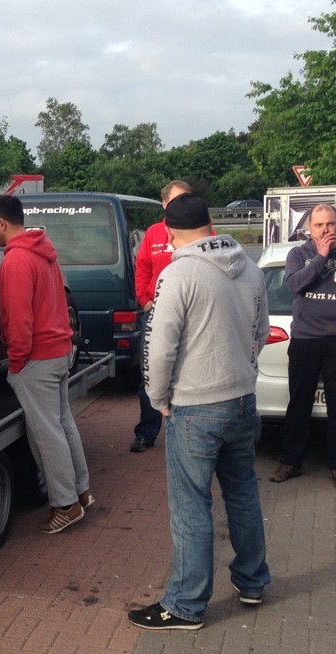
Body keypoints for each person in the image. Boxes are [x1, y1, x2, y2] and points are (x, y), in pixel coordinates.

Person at [128, 193, 271, 630]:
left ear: (168, 232)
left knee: (191, 507)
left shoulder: (177, 274)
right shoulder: (249, 266)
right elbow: (261, 331)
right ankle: (252, 581)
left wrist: (158, 399)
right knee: (242, 493)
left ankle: (186, 605)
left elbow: (158, 347)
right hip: (242, 399)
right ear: (211, 223)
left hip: (194, 407)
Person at [0, 194, 93, 534]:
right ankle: (82, 492)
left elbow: (18, 319)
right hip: (58, 351)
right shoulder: (44, 253)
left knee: (45, 435)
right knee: (63, 424)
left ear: (3, 223)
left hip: (36, 358)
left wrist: (16, 361)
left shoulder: (16, 262)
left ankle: (65, 505)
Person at [269, 204, 336, 491]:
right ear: (309, 228)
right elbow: (294, 285)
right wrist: (320, 258)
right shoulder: (298, 255)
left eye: (330, 224)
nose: (325, 230)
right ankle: (291, 460)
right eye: (319, 225)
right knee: (299, 403)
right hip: (305, 339)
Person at [130, 179, 193, 452]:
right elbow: (142, 269)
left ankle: (186, 432)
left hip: (191, 314)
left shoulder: (201, 231)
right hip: (155, 314)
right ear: (165, 204)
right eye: (177, 201)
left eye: (187, 200)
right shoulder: (154, 234)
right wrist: (145, 301)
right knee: (151, 374)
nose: (182, 206)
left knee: (188, 373)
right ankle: (147, 431)